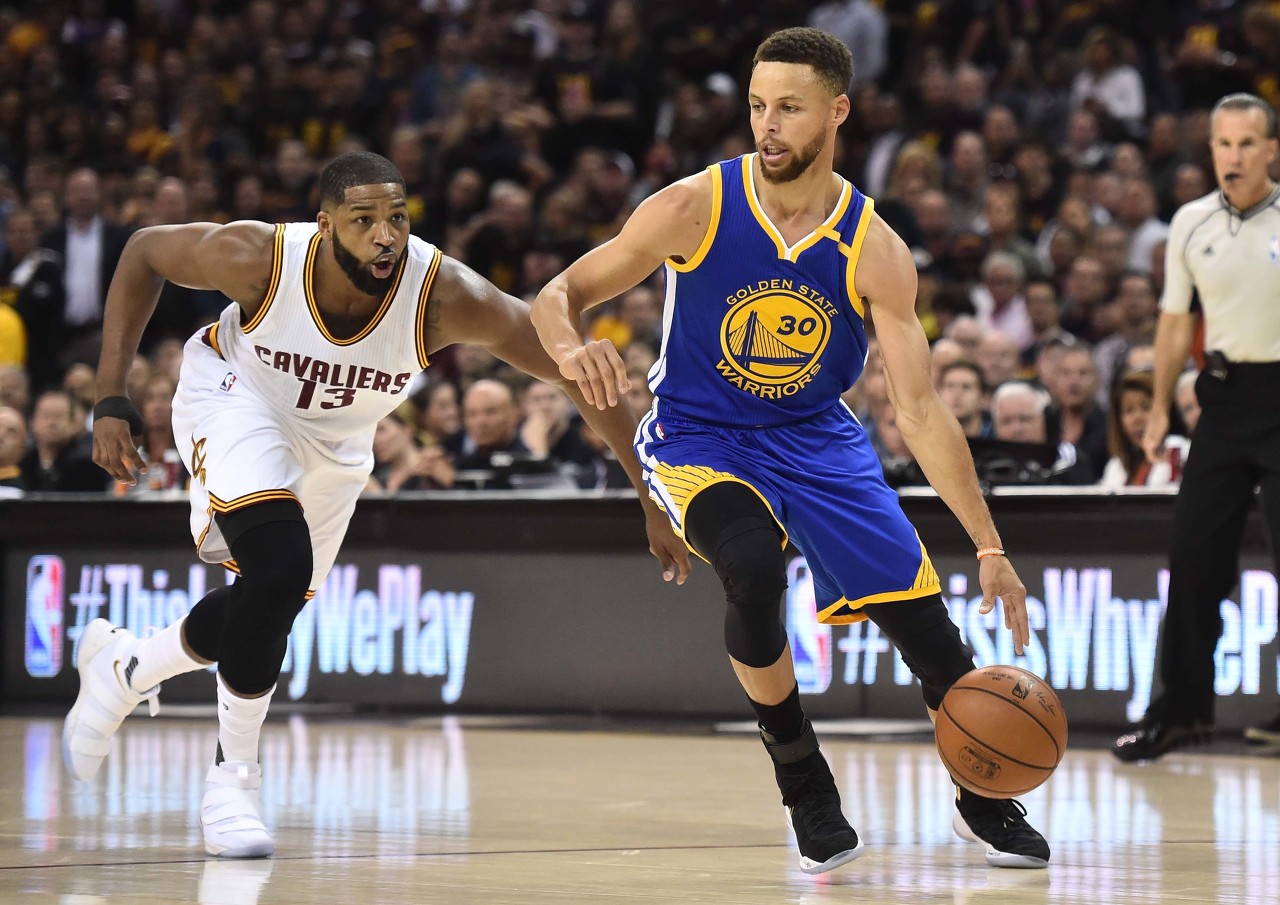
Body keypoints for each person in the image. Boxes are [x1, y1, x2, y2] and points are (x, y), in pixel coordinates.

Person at [63, 151, 690, 858]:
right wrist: (109, 394)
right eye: (364, 220)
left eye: (397, 217)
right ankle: (233, 780)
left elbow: (575, 376)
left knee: (268, 602)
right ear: (325, 224)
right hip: (239, 396)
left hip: (339, 442)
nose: (386, 235)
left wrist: (649, 493)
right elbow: (144, 251)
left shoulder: (444, 295)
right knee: (276, 568)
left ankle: (126, 668)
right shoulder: (262, 259)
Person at [531, 27, 1049, 875]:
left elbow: (920, 411)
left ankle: (981, 789)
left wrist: (989, 546)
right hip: (700, 434)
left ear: (837, 111)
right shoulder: (694, 207)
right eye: (757, 106)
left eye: (789, 109)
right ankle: (802, 773)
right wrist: (568, 344)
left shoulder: (874, 248)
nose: (767, 126)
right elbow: (561, 292)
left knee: (929, 633)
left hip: (817, 439)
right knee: (752, 568)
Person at [1112, 93, 1280, 761]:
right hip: (1226, 398)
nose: (1233, 156)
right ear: (1210, 149)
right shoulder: (1190, 221)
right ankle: (1180, 713)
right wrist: (1159, 406)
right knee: (1193, 559)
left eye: (1247, 143)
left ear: (1271, 150)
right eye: (1223, 143)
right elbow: (1176, 321)